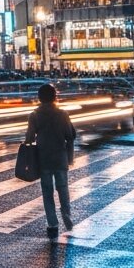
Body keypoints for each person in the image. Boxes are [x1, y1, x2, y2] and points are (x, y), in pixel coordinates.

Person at [25, 83, 76, 238]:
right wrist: (70, 156)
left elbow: (29, 138)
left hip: (43, 158)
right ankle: (67, 217)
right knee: (63, 189)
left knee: (47, 192)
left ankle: (52, 224)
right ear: (55, 97)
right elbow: (71, 135)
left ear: (39, 98)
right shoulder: (63, 114)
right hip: (60, 157)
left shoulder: (34, 115)